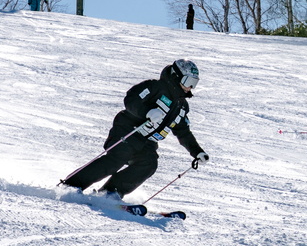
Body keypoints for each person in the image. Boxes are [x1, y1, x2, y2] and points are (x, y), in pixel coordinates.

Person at [60, 59, 209, 199]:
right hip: (127, 130)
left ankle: (109, 194)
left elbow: (183, 132)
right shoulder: (155, 87)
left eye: (194, 83)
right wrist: (146, 112)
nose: (190, 87)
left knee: (148, 164)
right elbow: (131, 99)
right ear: (176, 76)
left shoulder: (182, 106)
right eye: (188, 81)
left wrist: (197, 152)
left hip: (147, 141)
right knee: (115, 160)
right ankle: (71, 186)